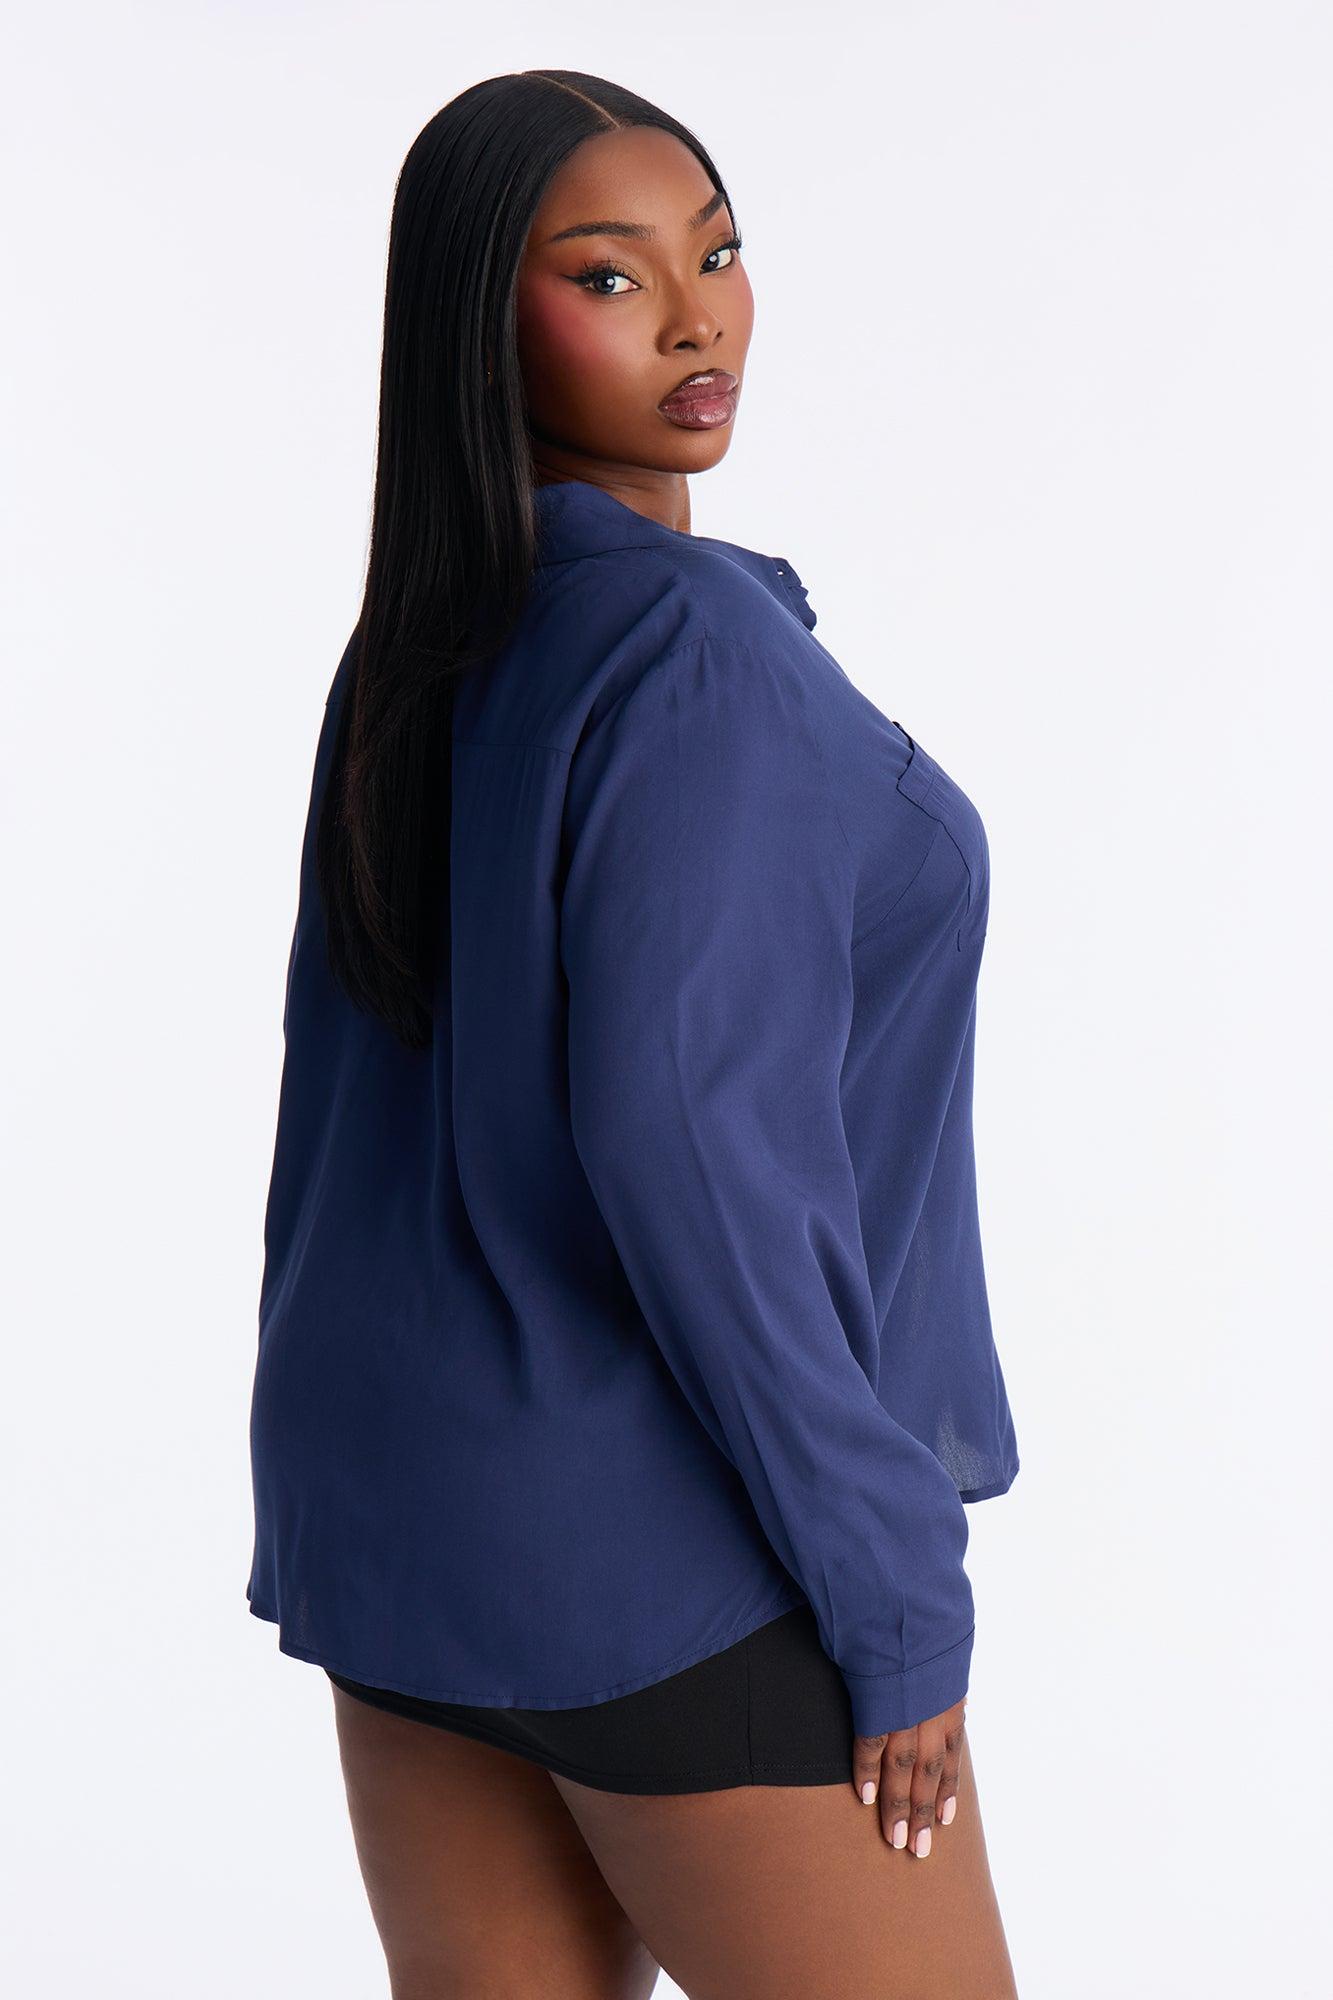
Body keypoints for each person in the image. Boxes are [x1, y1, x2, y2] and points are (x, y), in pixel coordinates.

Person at [246, 68, 1022, 2000]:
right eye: (608, 277)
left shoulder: (420, 641)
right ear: (476, 324)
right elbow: (693, 1155)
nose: (694, 321)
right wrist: (892, 1589)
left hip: (399, 1538)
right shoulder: (692, 655)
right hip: (668, 1554)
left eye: (718, 255)